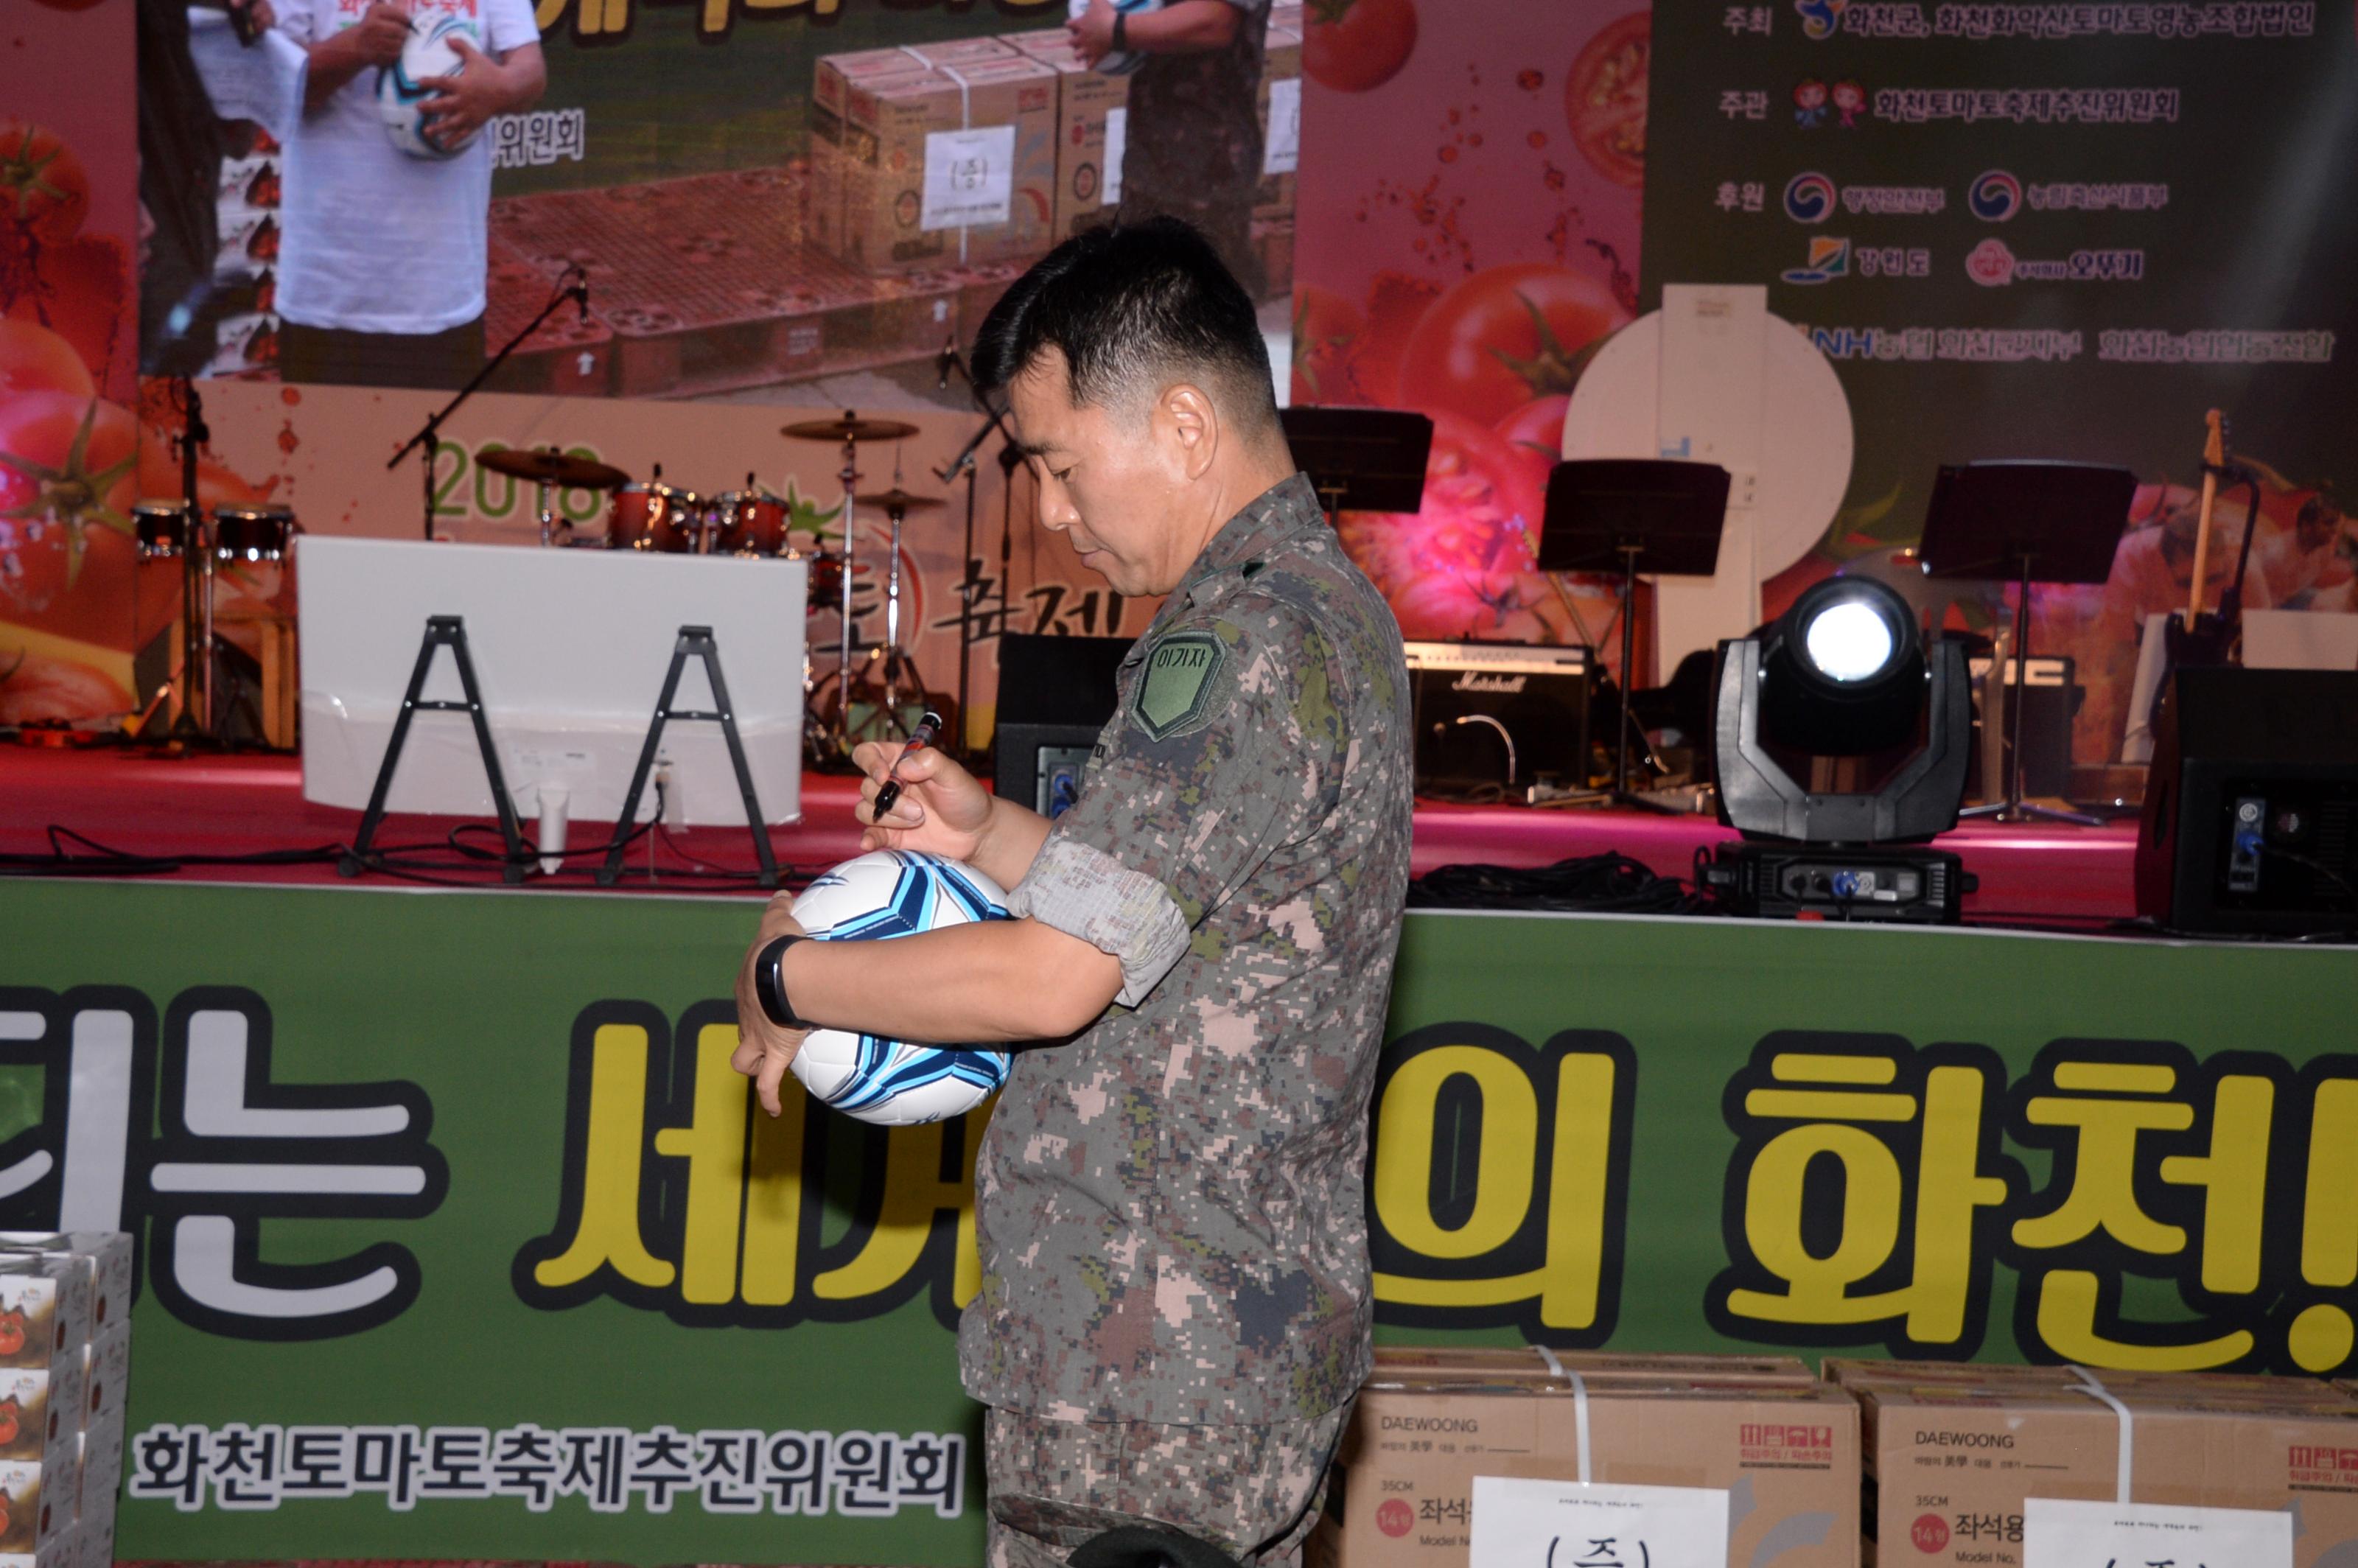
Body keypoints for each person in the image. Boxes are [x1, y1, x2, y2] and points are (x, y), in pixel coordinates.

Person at [730, 217, 1413, 1567]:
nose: (1050, 509)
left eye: (1056, 459)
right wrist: (991, 840)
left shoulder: (1242, 640)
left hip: (1151, 1357)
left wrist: (782, 977)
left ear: (1180, 418)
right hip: (1209, 1344)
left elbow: (1054, 978)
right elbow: (1194, 921)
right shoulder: (1321, 607)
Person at [273, 0, 545, 388]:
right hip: (325, 296)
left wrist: (499, 89)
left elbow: (531, 72)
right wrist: (355, 48)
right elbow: (270, 82)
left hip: (442, 296)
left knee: (434, 449)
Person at [1069, 0, 1270, 296]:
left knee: (1200, 314)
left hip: (1209, 169)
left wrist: (1115, 29)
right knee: (1142, 305)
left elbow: (1215, 22)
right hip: (1152, 157)